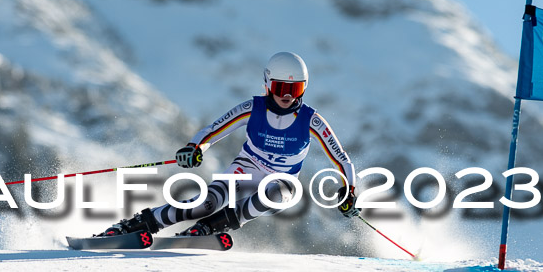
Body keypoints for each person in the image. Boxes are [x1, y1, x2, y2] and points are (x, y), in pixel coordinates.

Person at [99, 51, 359, 237]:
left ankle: (211, 227)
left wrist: (349, 192)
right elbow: (212, 131)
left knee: (275, 195)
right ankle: (139, 224)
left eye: (296, 89)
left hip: (282, 180)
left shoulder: (311, 120)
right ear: (268, 85)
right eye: (281, 88)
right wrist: (194, 148)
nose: (288, 97)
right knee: (205, 204)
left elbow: (341, 159)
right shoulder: (252, 108)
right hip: (247, 168)